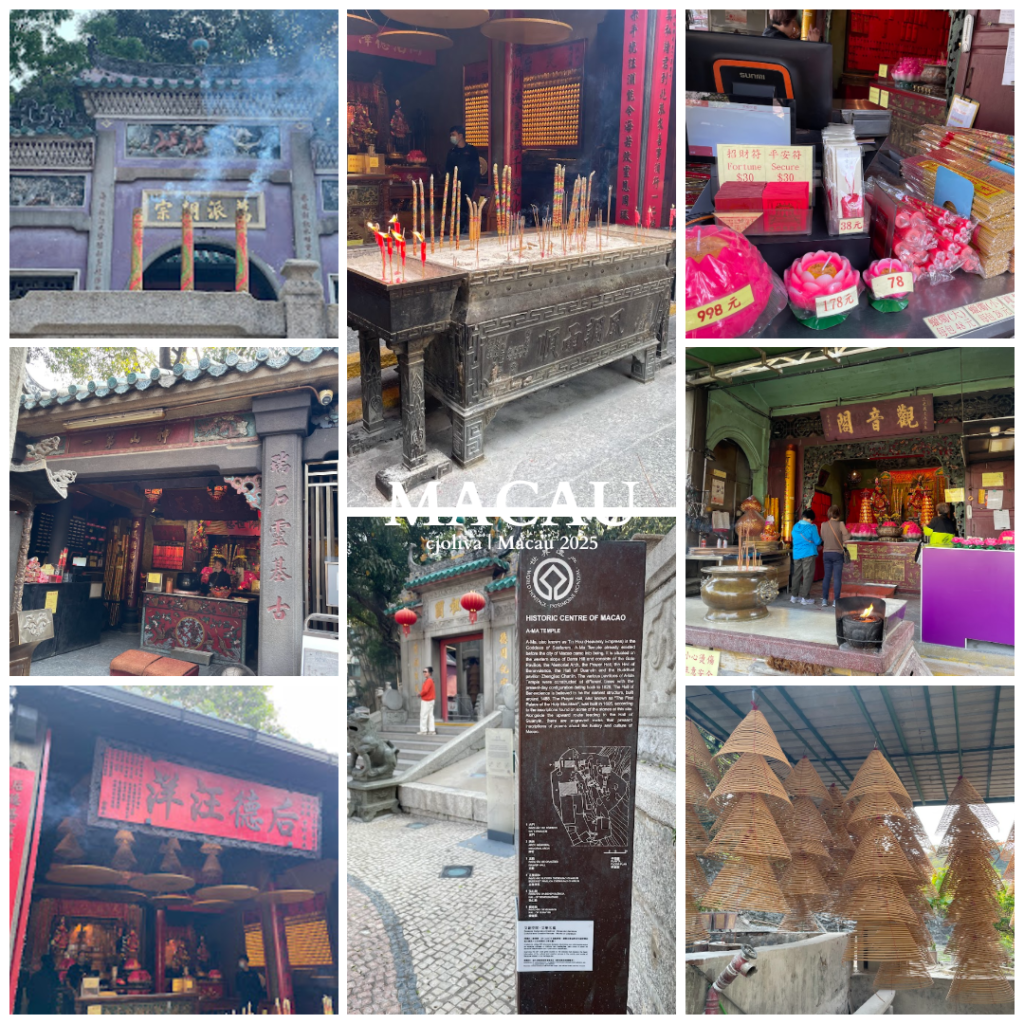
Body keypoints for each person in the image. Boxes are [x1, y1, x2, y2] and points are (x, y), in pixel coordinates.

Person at [444, 126, 481, 231]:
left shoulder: (471, 150)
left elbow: (476, 168)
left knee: (467, 209)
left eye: (453, 135)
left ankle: (466, 229)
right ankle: (456, 230)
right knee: (455, 209)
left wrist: (476, 185)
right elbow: (448, 169)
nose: (451, 137)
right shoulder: (452, 152)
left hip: (468, 186)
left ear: (460, 136)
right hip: (455, 186)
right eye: (451, 135)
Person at [821, 505, 852, 607]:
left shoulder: (823, 525)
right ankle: (836, 601)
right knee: (837, 578)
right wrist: (847, 533)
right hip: (837, 554)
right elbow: (846, 537)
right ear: (838, 514)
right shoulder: (840, 524)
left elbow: (823, 537)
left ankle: (824, 600)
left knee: (827, 577)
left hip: (826, 553)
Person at [790, 509, 822, 606]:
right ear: (809, 519)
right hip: (808, 553)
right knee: (807, 575)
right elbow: (817, 541)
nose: (811, 522)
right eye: (811, 520)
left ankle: (794, 596)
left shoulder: (795, 526)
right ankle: (805, 598)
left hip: (797, 554)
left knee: (796, 575)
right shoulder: (811, 527)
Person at [417, 667, 437, 735]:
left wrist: (420, 694)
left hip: (426, 700)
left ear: (430, 673)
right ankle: (432, 730)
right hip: (431, 700)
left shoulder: (428, 680)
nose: (424, 673)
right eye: (423, 671)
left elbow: (425, 690)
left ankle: (423, 731)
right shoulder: (430, 680)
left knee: (423, 715)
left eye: (425, 672)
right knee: (430, 715)